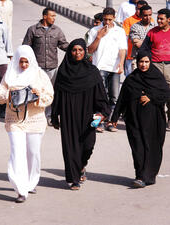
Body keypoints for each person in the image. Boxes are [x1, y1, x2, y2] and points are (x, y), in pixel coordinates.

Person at [0, 45, 53, 203]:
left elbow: (50, 95)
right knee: (17, 153)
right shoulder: (10, 75)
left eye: (27, 62)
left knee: (33, 153)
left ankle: (31, 181)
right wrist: (9, 95)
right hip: (15, 121)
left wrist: (38, 95)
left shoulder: (39, 74)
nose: (24, 65)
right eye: (21, 62)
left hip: (35, 120)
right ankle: (20, 189)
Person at [51, 39, 110, 190]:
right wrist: (54, 116)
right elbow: (57, 95)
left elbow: (101, 94)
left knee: (88, 146)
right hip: (68, 115)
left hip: (88, 116)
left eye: (80, 50)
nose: (77, 53)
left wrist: (102, 112)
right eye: (74, 50)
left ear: (85, 52)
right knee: (70, 148)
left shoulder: (92, 71)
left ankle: (82, 165)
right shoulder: (63, 72)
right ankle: (73, 178)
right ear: (70, 52)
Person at [111, 51, 170, 188]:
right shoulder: (131, 79)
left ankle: (147, 176)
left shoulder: (157, 77)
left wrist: (150, 96)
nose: (143, 65)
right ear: (137, 63)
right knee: (137, 147)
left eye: (146, 62)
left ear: (150, 62)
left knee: (151, 146)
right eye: (141, 62)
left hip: (153, 120)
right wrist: (114, 117)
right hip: (134, 119)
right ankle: (140, 175)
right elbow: (122, 99)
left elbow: (166, 93)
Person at [22, 7, 68, 125]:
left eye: (55, 16)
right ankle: (34, 115)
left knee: (50, 92)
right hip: (37, 68)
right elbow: (26, 48)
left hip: (52, 68)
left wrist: (75, 49)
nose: (54, 18)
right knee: (35, 91)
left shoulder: (57, 31)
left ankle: (48, 116)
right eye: (52, 16)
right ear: (44, 16)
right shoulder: (33, 30)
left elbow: (64, 45)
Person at [87, 7, 127, 132]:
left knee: (114, 97)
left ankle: (110, 122)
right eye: (105, 19)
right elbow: (90, 50)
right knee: (100, 96)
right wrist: (99, 37)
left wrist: (121, 64)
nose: (107, 22)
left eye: (110, 19)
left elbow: (122, 49)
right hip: (99, 67)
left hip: (114, 68)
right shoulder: (95, 30)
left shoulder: (119, 31)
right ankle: (98, 122)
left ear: (114, 18)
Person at [140, 8, 170, 130]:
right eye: (158, 18)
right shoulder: (152, 32)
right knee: (155, 94)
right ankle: (158, 120)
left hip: (169, 66)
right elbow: (144, 50)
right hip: (155, 66)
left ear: (169, 19)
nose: (159, 21)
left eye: (162, 18)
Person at [122, 1, 148, 76]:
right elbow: (127, 36)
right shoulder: (128, 21)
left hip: (146, 57)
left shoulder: (151, 22)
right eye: (137, 8)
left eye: (141, 9)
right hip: (131, 55)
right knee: (131, 79)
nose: (138, 11)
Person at [129, 5, 155, 71]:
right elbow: (137, 43)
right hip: (138, 59)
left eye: (150, 15)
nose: (148, 17)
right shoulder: (135, 27)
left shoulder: (155, 27)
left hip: (151, 60)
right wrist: (151, 44)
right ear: (140, 15)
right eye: (145, 15)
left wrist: (142, 41)